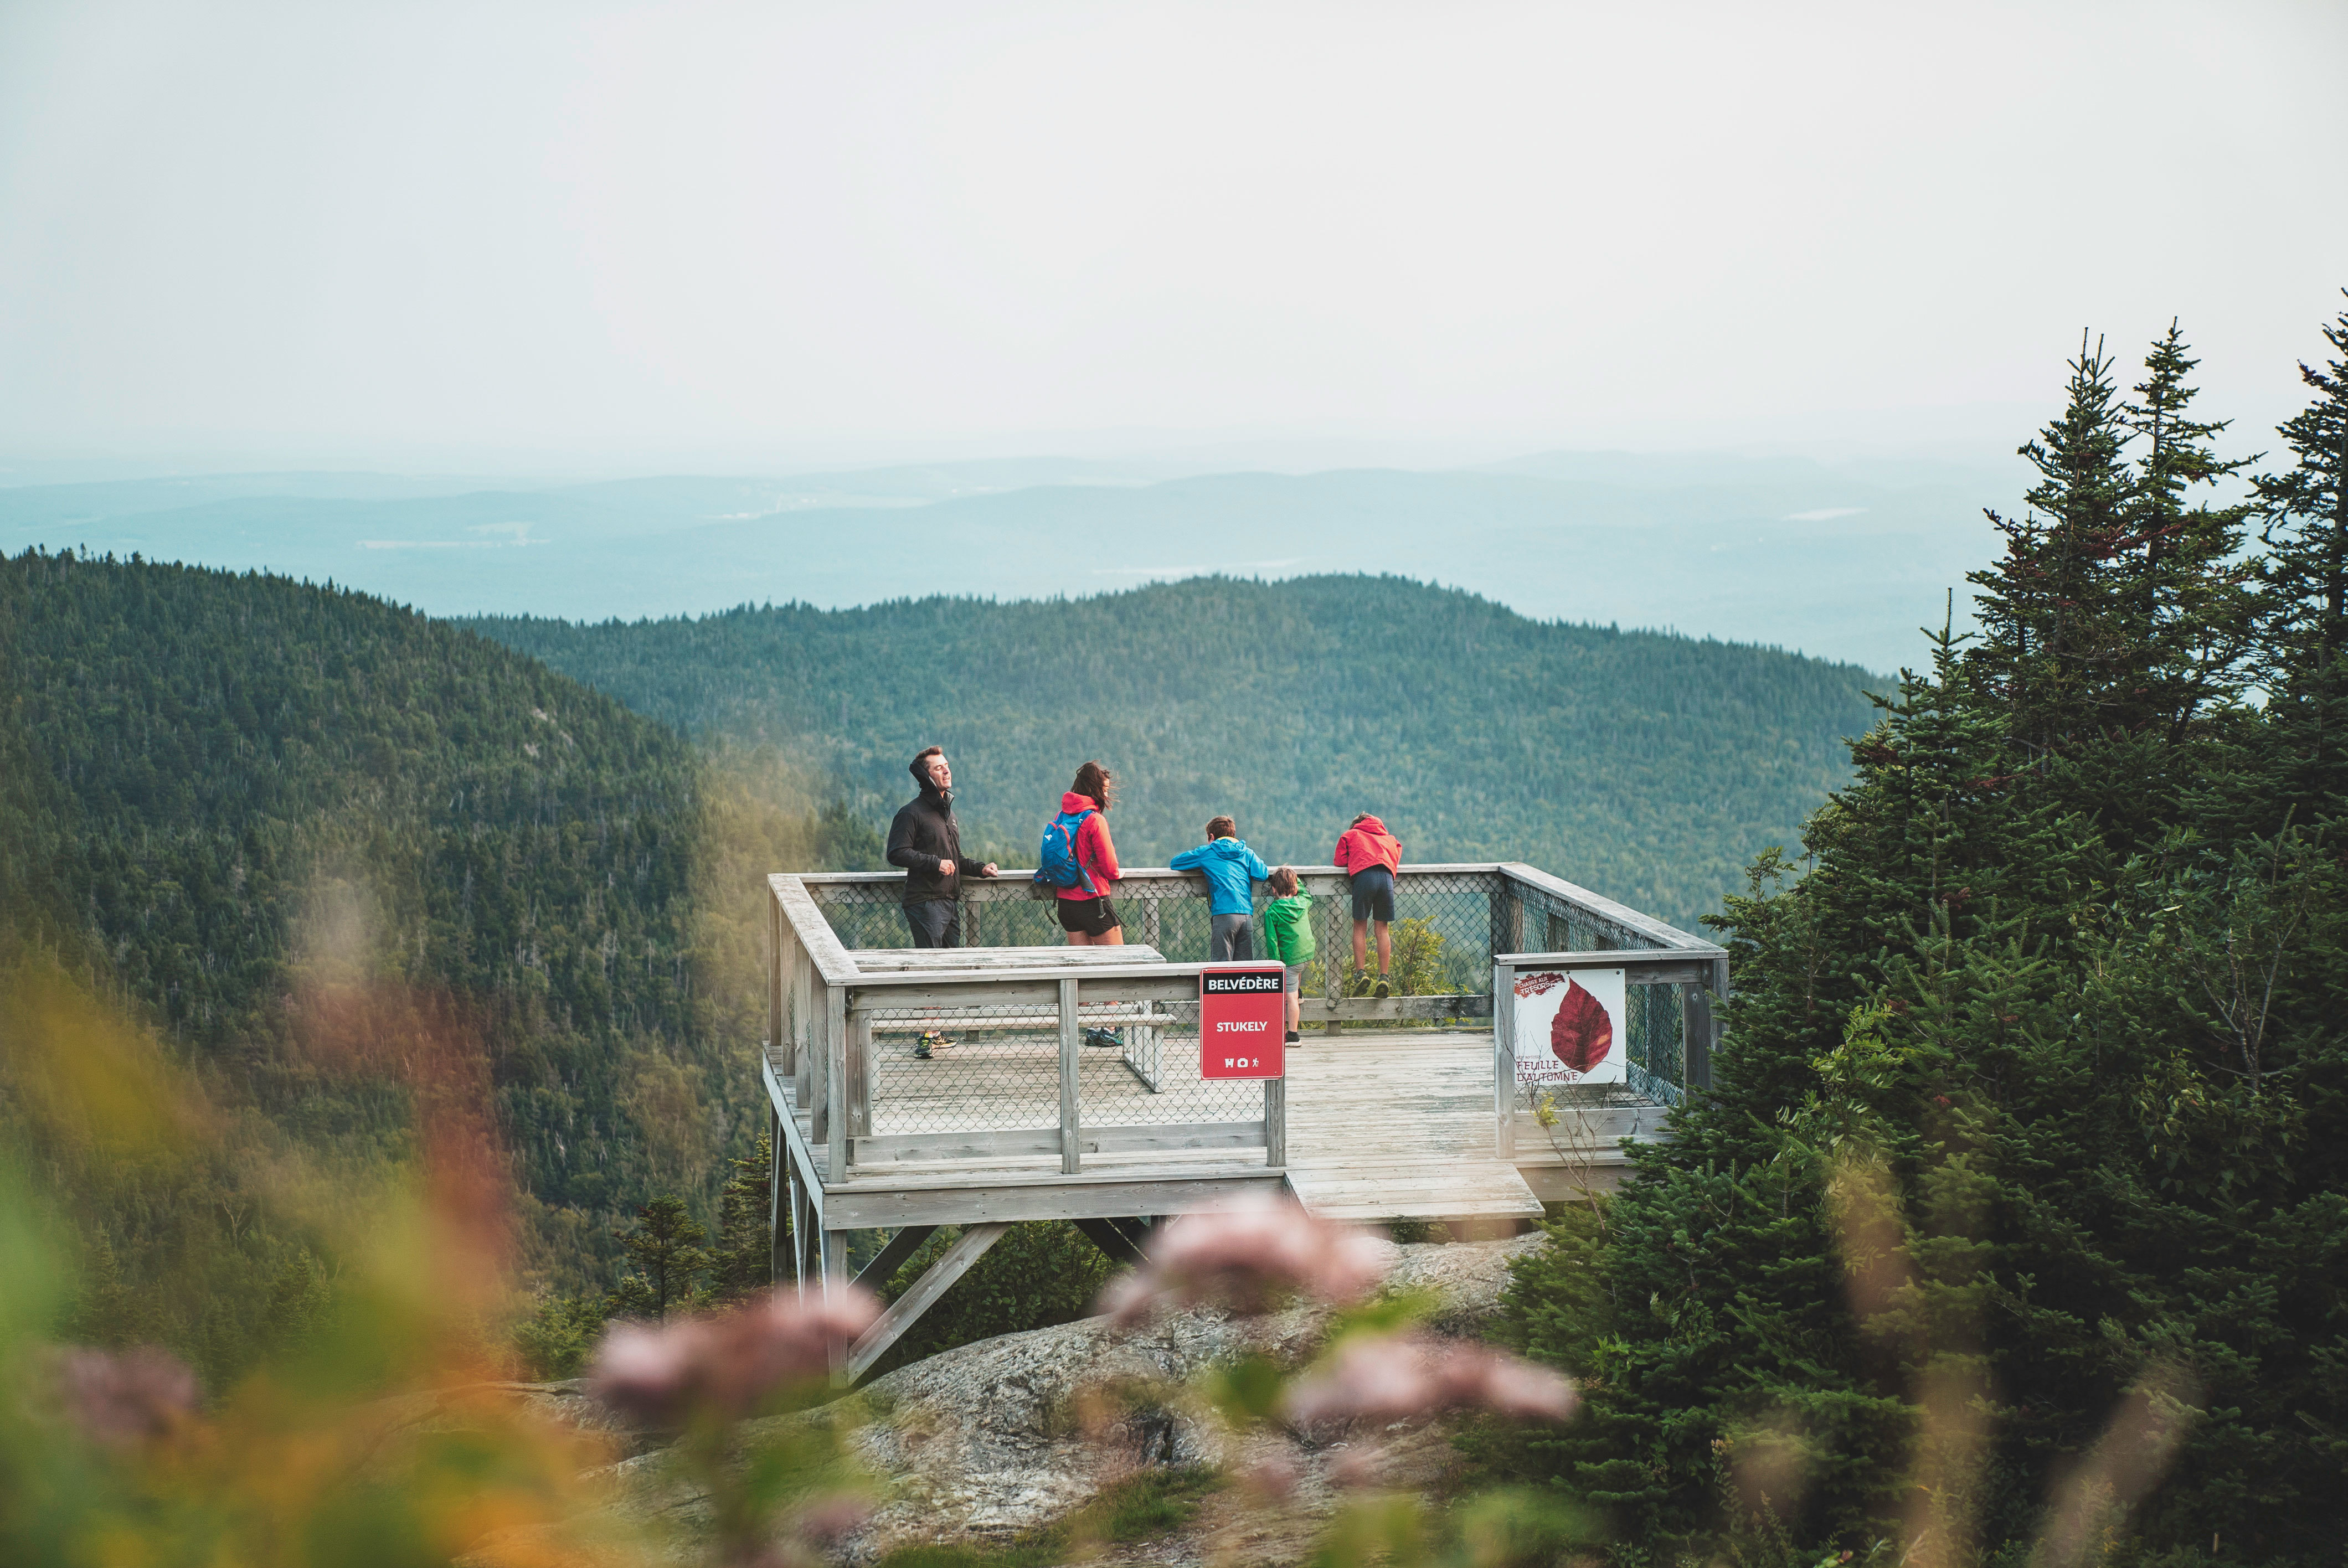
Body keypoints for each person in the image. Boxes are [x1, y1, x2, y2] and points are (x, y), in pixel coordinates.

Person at [885, 746, 998, 947]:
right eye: (939, 768)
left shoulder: (949, 816)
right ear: (925, 777)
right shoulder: (911, 813)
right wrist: (936, 863)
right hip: (925, 903)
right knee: (933, 969)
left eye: (947, 766)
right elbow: (896, 853)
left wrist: (981, 869)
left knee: (952, 969)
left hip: (949, 902)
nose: (947, 771)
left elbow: (956, 859)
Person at [1170, 814, 1271, 962]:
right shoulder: (1247, 852)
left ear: (1211, 837)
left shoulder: (1207, 853)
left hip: (1224, 914)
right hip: (1246, 915)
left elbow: (1176, 863)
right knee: (1244, 969)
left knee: (1221, 969)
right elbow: (1262, 874)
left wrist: (1206, 856)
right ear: (1233, 835)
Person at [1049, 760, 1124, 946]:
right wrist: (1117, 874)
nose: (1106, 794)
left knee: (1083, 970)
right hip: (1092, 901)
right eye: (1104, 789)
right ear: (1095, 789)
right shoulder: (1095, 820)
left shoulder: (1062, 816)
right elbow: (1110, 867)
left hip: (1066, 903)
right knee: (1119, 966)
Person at [1331, 812, 1402, 998]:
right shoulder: (1390, 839)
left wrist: (1357, 858)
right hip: (1386, 879)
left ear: (1356, 824)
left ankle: (1361, 973)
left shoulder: (1351, 835)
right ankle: (1384, 977)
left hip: (1364, 878)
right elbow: (1396, 855)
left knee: (1360, 927)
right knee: (1383, 929)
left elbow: (1339, 861)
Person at [1260, 865, 1315, 1045]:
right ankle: (1297, 992)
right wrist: (1293, 876)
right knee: (1295, 977)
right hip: (1307, 954)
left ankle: (1293, 1035)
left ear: (1274, 890)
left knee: (1290, 997)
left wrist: (1276, 965)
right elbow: (1305, 892)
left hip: (1291, 961)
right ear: (1295, 888)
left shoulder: (1272, 913)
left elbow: (1272, 942)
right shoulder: (1303, 902)